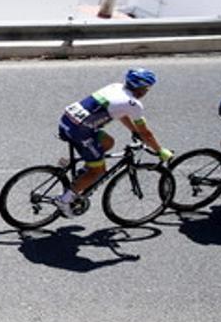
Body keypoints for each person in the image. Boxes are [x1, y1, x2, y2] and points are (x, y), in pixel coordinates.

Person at [56, 68, 173, 218]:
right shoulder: (134, 104)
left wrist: (133, 130)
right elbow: (146, 134)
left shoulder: (116, 87)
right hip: (79, 131)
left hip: (68, 121)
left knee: (108, 142)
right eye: (147, 88)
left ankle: (83, 175)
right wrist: (159, 150)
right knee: (98, 171)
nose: (147, 91)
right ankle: (64, 200)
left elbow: (122, 114)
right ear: (141, 88)